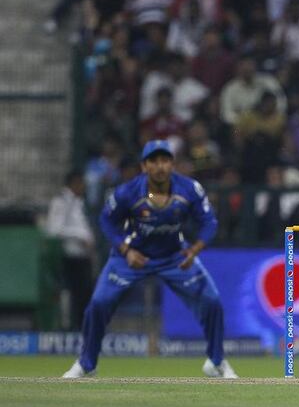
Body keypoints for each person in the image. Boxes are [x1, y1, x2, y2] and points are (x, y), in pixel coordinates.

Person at [62, 140, 237, 379]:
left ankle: (216, 361)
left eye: (165, 160)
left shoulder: (189, 189)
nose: (160, 166)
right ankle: (86, 364)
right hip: (133, 257)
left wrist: (194, 249)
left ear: (172, 164)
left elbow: (209, 222)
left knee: (212, 301)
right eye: (154, 161)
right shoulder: (128, 192)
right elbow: (107, 221)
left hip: (175, 256)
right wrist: (126, 250)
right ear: (144, 166)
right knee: (99, 304)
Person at [45, 170, 95, 330]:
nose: (84, 188)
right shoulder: (61, 202)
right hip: (69, 257)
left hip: (82, 257)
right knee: (74, 294)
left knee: (85, 294)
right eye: (82, 184)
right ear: (74, 183)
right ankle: (70, 327)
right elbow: (54, 229)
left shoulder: (77, 202)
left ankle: (82, 327)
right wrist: (80, 236)